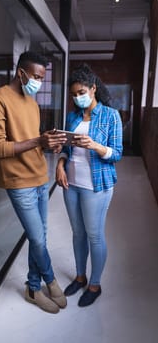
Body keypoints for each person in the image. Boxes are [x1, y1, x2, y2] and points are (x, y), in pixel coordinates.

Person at [0, 51, 67, 314]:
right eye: (35, 76)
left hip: (40, 177)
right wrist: (37, 141)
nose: (39, 82)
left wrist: (47, 145)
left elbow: (31, 142)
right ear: (20, 73)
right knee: (38, 239)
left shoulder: (32, 102)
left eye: (42, 78)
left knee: (40, 236)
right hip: (18, 182)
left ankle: (33, 287)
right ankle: (50, 279)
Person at [56, 63, 123, 307]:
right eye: (74, 94)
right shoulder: (72, 116)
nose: (77, 98)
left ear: (93, 89)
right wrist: (60, 165)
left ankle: (95, 285)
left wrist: (94, 145)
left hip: (97, 186)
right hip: (71, 184)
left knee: (94, 235)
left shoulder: (110, 115)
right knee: (78, 234)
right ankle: (80, 276)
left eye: (81, 92)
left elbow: (117, 154)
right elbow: (65, 148)